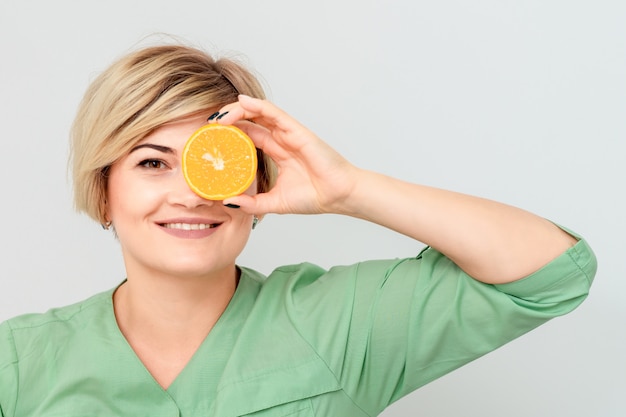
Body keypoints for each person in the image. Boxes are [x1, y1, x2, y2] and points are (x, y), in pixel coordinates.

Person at [0, 43, 596, 417]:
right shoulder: (18, 361)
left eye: (218, 162)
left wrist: (350, 190)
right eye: (153, 162)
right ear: (104, 190)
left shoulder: (341, 321)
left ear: (258, 192)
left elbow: (550, 273)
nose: (189, 192)